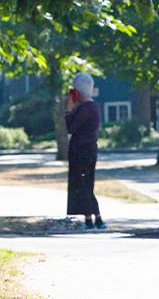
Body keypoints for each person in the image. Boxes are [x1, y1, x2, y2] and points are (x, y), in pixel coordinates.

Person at [65, 72, 106, 230]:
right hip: (90, 149)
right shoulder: (94, 106)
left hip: (81, 151)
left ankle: (89, 221)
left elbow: (71, 127)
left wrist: (69, 110)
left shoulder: (86, 108)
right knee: (88, 184)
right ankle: (98, 219)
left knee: (82, 184)